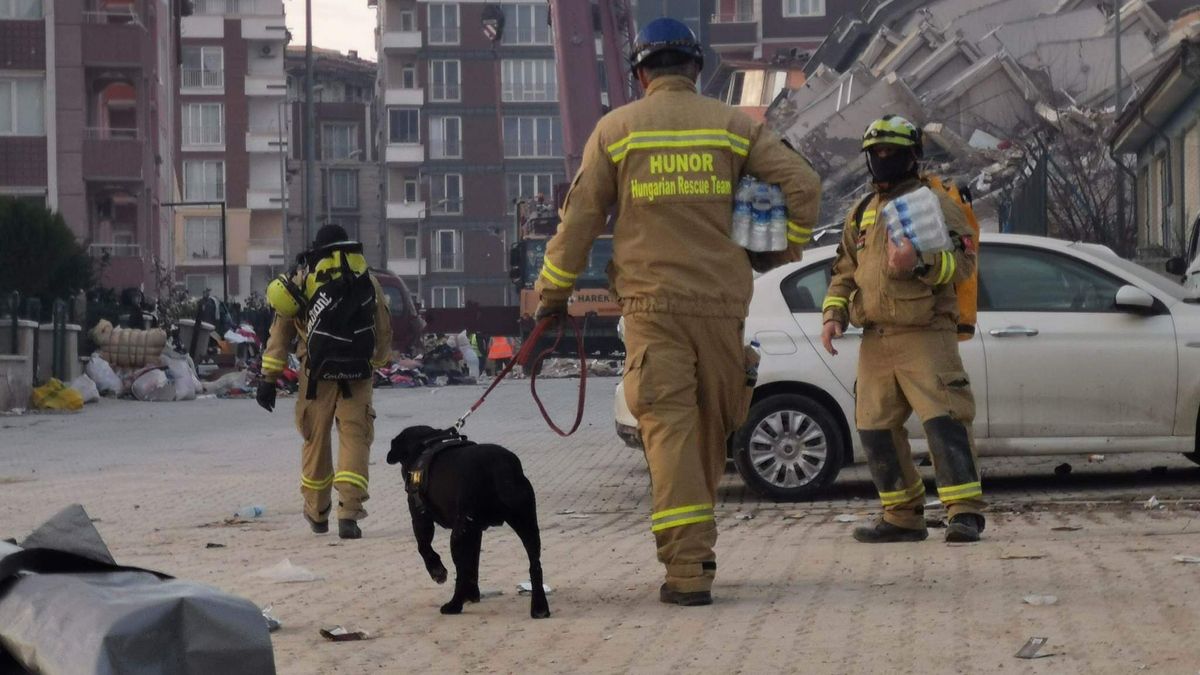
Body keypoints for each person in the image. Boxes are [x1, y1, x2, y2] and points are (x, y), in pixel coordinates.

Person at [533, 17, 821, 606]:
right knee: (713, 432)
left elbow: (581, 219)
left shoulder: (617, 131)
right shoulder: (734, 127)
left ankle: (687, 567)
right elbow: (803, 184)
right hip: (721, 305)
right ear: (694, 68)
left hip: (651, 306)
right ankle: (693, 555)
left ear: (641, 73)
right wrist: (778, 247)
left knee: (669, 433)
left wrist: (552, 296)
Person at [820, 115, 985, 544]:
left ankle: (964, 512)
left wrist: (920, 263)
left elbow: (963, 264)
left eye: (893, 152)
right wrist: (833, 314)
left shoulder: (934, 202)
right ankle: (902, 515)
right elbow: (844, 270)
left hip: (925, 332)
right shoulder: (862, 211)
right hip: (875, 337)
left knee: (944, 421)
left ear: (913, 156)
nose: (883, 159)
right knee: (874, 428)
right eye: (876, 153)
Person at [257, 224, 392, 540]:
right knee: (355, 437)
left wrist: (269, 378)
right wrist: (375, 362)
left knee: (315, 440)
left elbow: (281, 331)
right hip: (357, 374)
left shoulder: (303, 280)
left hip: (315, 373)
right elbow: (383, 327)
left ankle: (317, 513)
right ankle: (349, 513)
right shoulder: (366, 279)